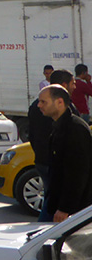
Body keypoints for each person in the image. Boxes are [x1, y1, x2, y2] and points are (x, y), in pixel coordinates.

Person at [38, 84, 92, 224]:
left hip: (73, 210)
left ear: (60, 102)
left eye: (43, 101)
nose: (39, 105)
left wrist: (65, 208)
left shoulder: (75, 129)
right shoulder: (59, 126)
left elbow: (77, 173)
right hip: (57, 203)